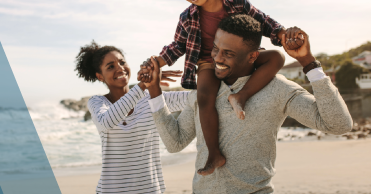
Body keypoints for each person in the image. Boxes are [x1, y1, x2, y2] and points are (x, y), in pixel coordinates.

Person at [146, 14, 353, 193]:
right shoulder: (204, 92)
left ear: (253, 56)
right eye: (216, 49)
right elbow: (175, 143)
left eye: (228, 53)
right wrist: (154, 90)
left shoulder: (277, 89)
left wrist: (308, 62)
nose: (217, 58)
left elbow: (339, 124)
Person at [142, 0, 299, 176]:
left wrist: (282, 34)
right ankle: (214, 154)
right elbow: (178, 45)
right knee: (204, 97)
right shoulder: (187, 17)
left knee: (277, 58)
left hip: (240, 57)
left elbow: (262, 20)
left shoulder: (236, 1)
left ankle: (241, 96)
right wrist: (157, 61)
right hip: (209, 61)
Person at [74, 41, 188, 194]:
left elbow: (195, 99)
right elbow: (106, 121)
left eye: (122, 62)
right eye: (111, 66)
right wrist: (143, 85)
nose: (120, 68)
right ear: (100, 76)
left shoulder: (152, 98)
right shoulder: (97, 102)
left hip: (150, 190)